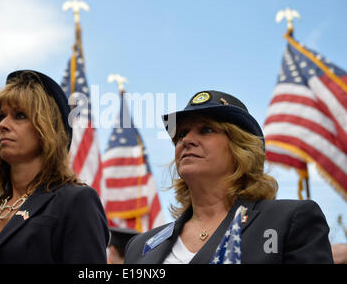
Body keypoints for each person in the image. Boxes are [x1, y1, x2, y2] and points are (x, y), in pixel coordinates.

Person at [124, 90, 333, 264]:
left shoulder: (289, 221)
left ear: (240, 148)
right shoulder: (141, 246)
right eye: (181, 134)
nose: (186, 140)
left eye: (205, 130)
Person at [0, 70, 109, 264]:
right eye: (1, 116)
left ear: (47, 129)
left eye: (19, 115)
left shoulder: (76, 201)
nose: (3, 125)